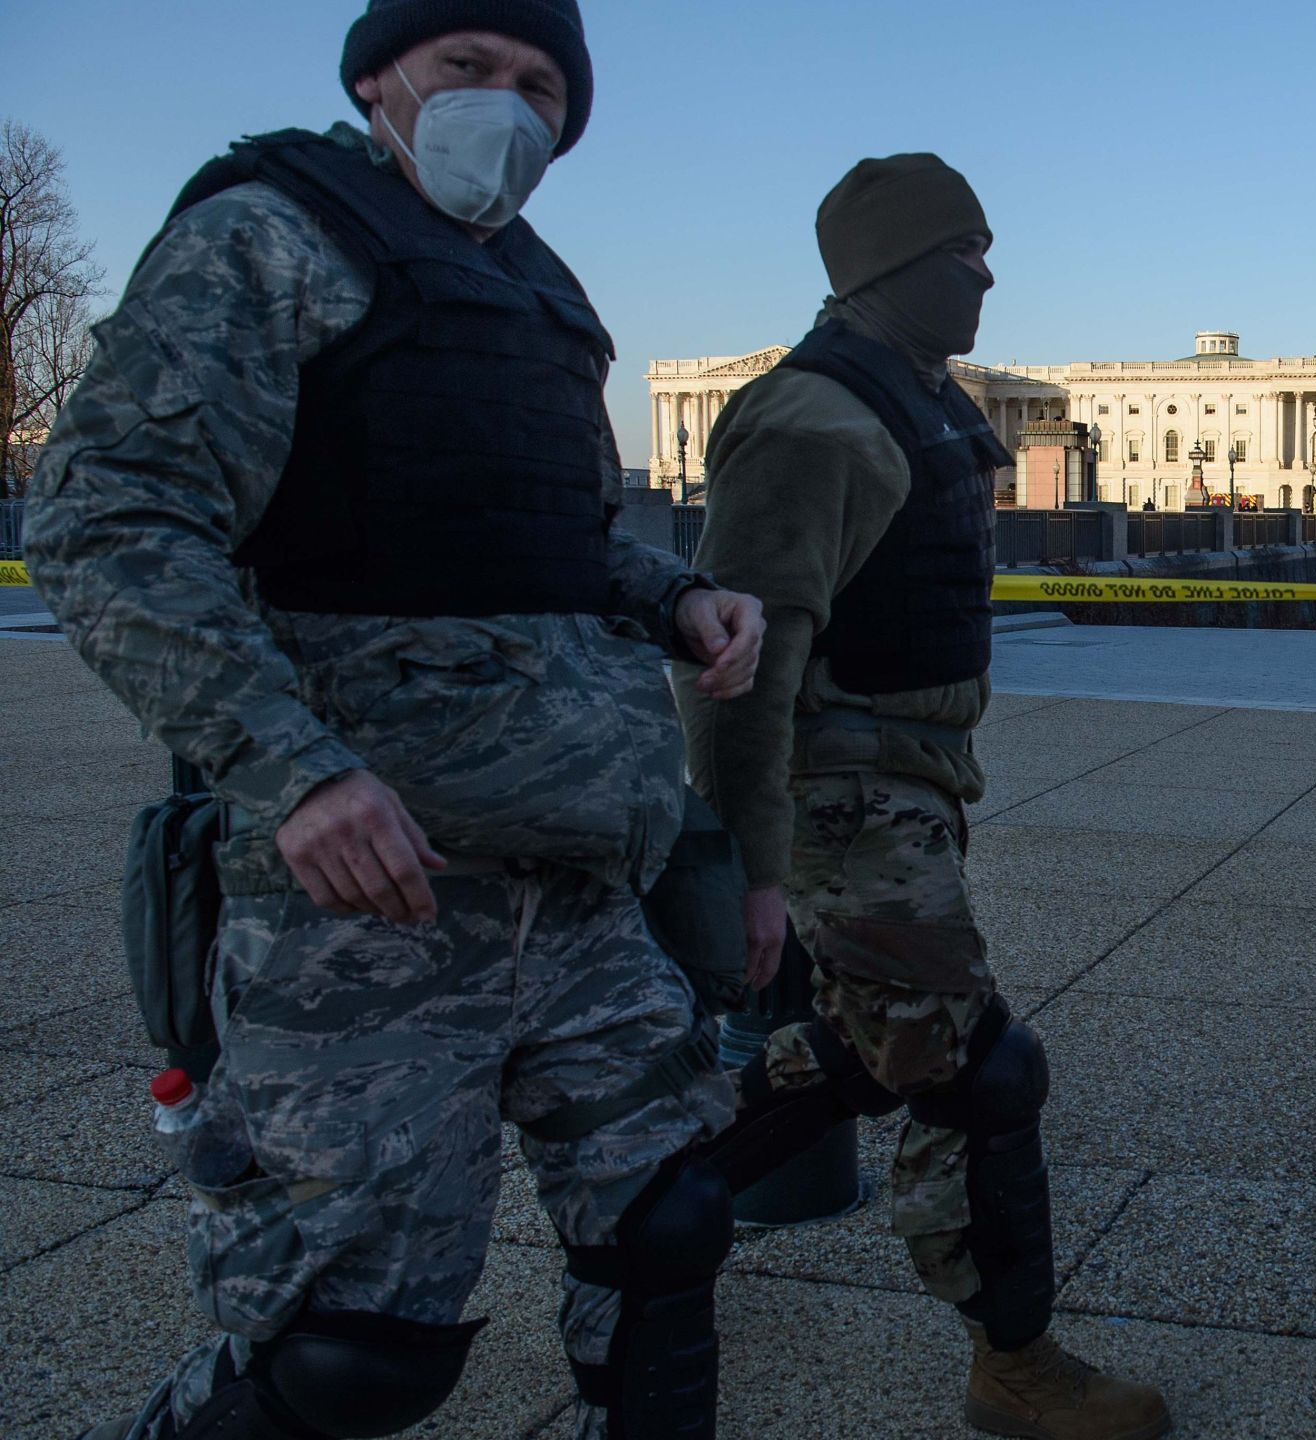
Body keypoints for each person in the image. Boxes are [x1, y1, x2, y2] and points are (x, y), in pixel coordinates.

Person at [26, 3, 770, 1436]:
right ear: (380, 80)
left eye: (542, 87)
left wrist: (678, 598)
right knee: (353, 1346)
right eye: (468, 69)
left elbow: (530, 533)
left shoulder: (537, 286)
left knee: (670, 1224)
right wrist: (293, 771)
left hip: (580, 886)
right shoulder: (268, 236)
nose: (509, 106)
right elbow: (111, 518)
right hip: (371, 894)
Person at [675, 156, 1171, 1440]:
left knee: (882, 1042)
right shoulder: (810, 421)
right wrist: (747, 867)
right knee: (982, 1072)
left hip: (906, 784)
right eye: (966, 249)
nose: (989, 272)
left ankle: (644, 1202)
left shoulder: (911, 404)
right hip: (844, 796)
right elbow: (739, 663)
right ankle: (1013, 1364)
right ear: (893, 267)